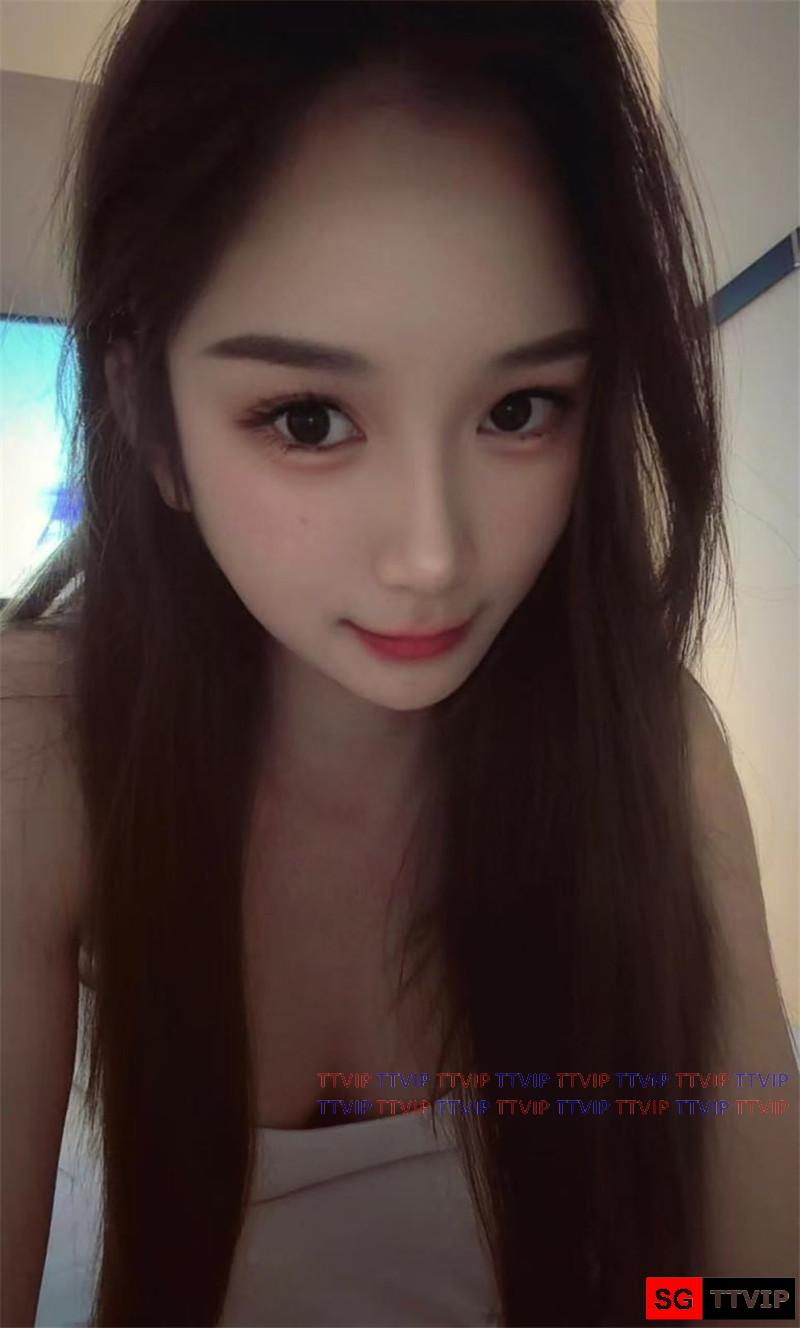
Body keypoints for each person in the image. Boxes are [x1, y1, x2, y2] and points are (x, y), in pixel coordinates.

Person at [1, 2, 797, 1326]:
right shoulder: (46, 754)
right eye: (309, 419)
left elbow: (749, 1297)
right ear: (147, 417)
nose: (433, 555)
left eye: (519, 408)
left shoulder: (652, 749)